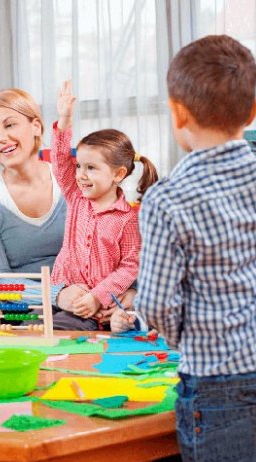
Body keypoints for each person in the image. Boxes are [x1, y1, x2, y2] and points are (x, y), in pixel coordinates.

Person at [133, 2, 256, 462]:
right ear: (253, 110)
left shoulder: (166, 199)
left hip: (217, 381)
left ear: (177, 113)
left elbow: (157, 303)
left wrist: (189, 338)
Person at [0, 87, 135, 315]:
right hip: (32, 315)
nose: (1, 138)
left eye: (10, 125)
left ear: (36, 126)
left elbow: (121, 247)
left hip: (97, 304)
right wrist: (56, 295)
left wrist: (131, 292)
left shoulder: (78, 184)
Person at [49, 80, 158, 330]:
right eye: (79, 166)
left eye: (91, 168)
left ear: (118, 174)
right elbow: (60, 161)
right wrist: (64, 120)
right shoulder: (76, 196)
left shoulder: (127, 219)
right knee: (43, 325)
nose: (81, 175)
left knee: (67, 330)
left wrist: (97, 296)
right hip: (67, 297)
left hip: (100, 307)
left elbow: (130, 266)